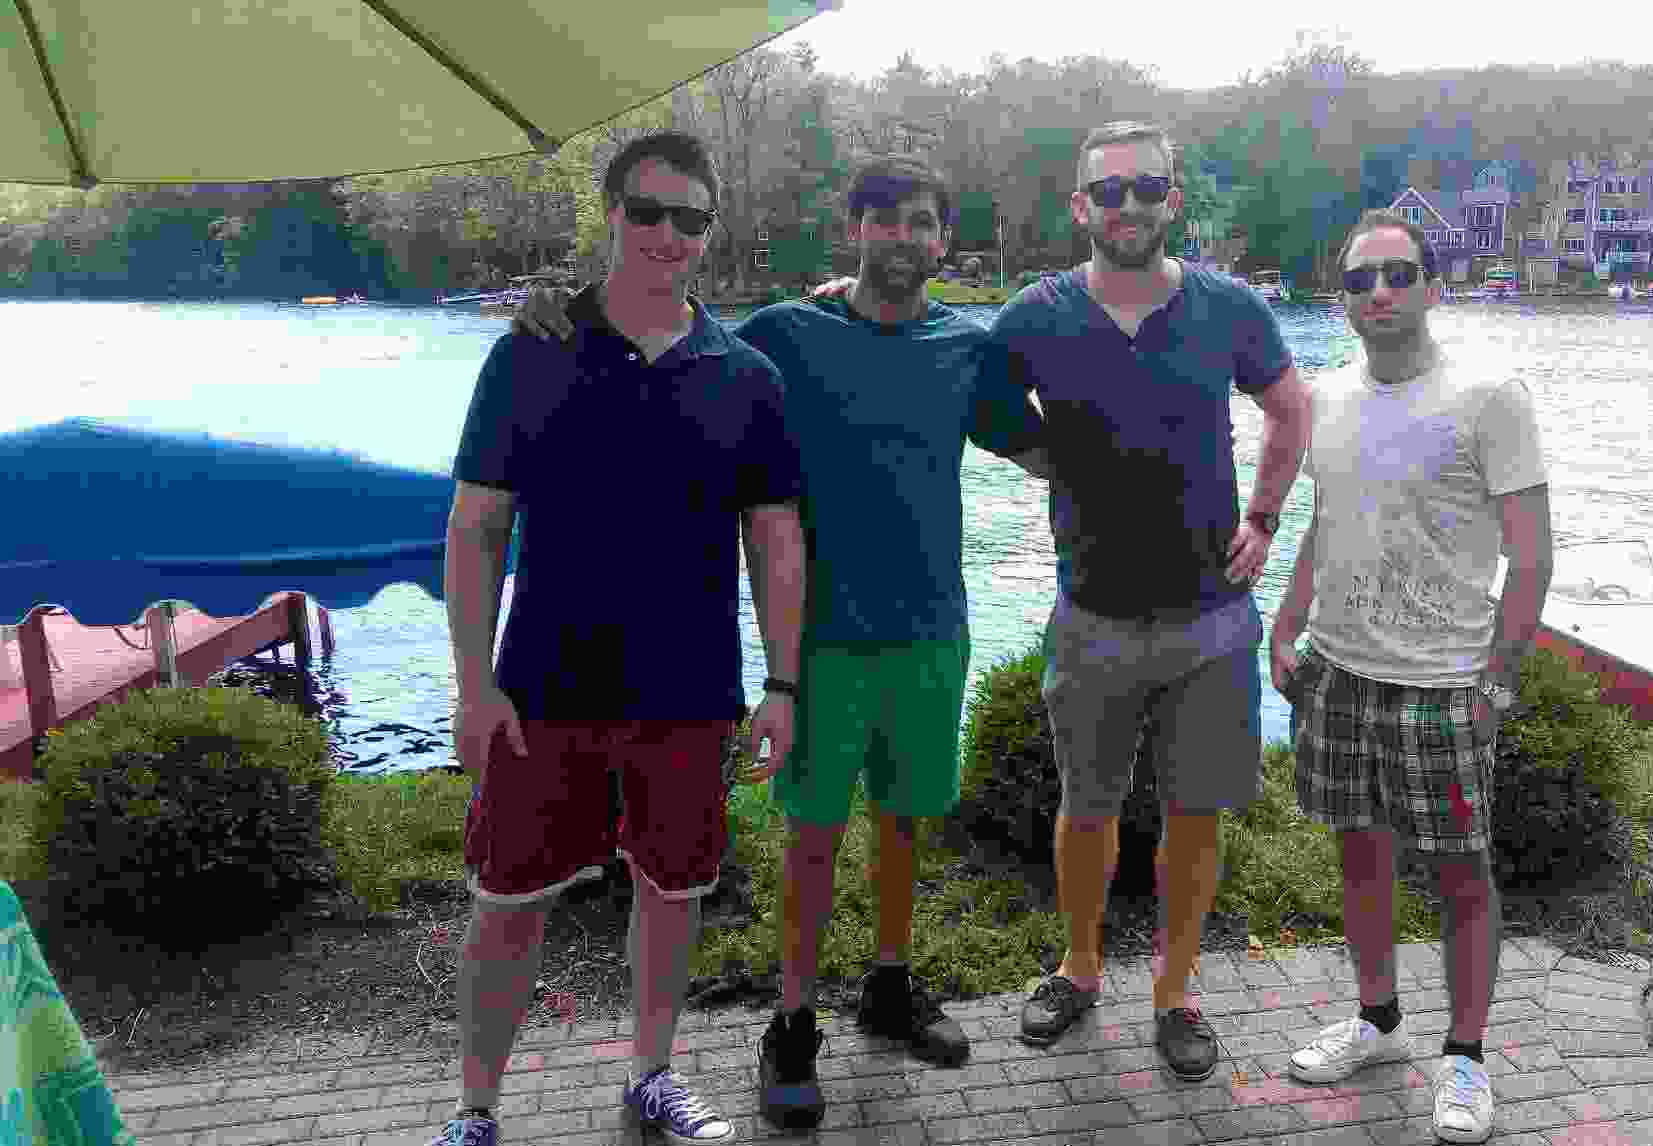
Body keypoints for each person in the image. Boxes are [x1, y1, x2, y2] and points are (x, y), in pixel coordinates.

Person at [513, 154, 1049, 1131]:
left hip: (932, 630)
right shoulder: (785, 335)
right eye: (882, 219)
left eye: (919, 221)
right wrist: (566, 311)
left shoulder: (966, 349)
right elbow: (670, 342)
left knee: (904, 822)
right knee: (812, 837)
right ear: (855, 231)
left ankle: (889, 985)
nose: (901, 237)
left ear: (943, 239)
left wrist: (1136, 427)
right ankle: (792, 1022)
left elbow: (1045, 449)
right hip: (820, 641)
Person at [808, 121, 1310, 1082]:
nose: (1128, 206)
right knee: (1087, 809)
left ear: (1171, 200)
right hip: (1091, 615)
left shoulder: (1229, 308)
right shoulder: (1033, 316)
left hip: (1212, 618)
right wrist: (847, 300)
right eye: (1108, 191)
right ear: (1080, 207)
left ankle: (1176, 993)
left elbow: (1290, 407)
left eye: (1146, 188)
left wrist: (1265, 516)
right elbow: (952, 371)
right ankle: (1078, 969)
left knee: (1195, 816)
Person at [436, 131, 807, 1146]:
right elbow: (475, 527)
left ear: (709, 231)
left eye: (689, 218)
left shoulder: (746, 376)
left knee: (673, 894)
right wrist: (473, 684)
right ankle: (475, 1111)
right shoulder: (530, 353)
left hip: (688, 693)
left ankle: (651, 1074)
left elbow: (775, 540)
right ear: (611, 213)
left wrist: (781, 685)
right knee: (505, 903)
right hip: (542, 689)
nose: (666, 235)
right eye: (647, 212)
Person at [1268, 209, 1552, 1144]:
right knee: (1360, 857)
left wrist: (1498, 681)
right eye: (1359, 280)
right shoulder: (1326, 399)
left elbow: (1531, 555)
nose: (1378, 293)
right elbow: (1324, 522)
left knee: (1461, 876)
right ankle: (1377, 1018)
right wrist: (1286, 623)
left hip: (1443, 682)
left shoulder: (1487, 397)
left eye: (1397, 274)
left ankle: (1464, 1056)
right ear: (1341, 297)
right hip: (1339, 673)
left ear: (1432, 286)